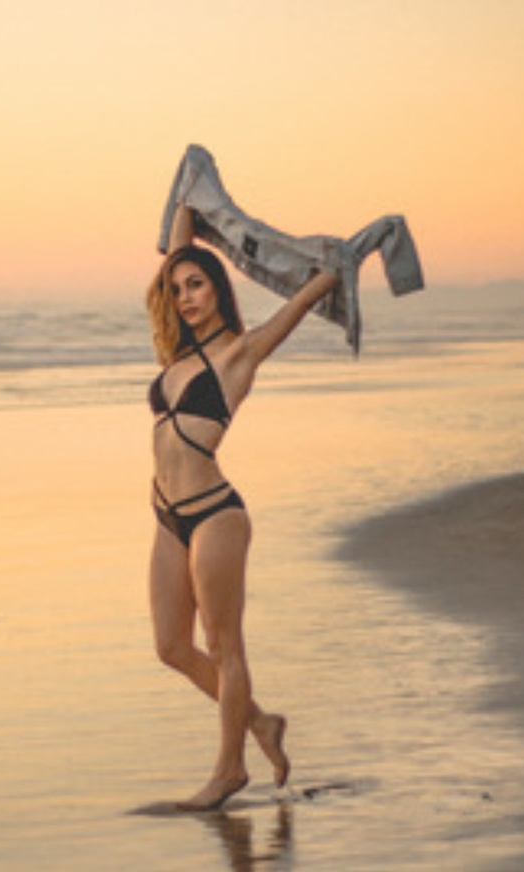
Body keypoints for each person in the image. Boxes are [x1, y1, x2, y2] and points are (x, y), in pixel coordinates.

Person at [146, 203, 338, 811]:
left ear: (218, 289)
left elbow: (298, 307)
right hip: (165, 515)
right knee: (172, 647)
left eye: (197, 284)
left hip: (215, 514)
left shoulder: (239, 354)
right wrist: (186, 201)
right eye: (177, 289)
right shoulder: (174, 355)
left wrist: (332, 272)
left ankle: (229, 770)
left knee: (226, 646)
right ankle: (260, 724)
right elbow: (180, 249)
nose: (185, 296)